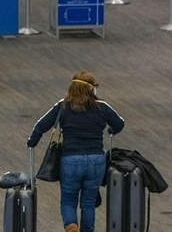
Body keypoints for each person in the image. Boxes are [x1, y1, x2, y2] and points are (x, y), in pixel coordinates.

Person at [27, 71, 125, 232]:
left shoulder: (63, 106)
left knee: (68, 202)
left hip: (70, 160)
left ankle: (71, 226)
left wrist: (31, 142)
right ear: (92, 89)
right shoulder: (102, 107)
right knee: (88, 203)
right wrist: (110, 130)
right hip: (95, 160)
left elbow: (40, 125)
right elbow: (120, 123)